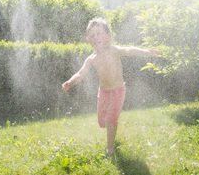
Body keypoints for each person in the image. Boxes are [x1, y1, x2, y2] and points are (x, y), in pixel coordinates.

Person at [62, 18, 161, 156]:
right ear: (89, 41)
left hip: (118, 90)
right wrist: (69, 82)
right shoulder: (91, 59)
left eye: (99, 33)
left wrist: (146, 52)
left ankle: (109, 149)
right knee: (102, 121)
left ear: (109, 36)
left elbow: (129, 50)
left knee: (110, 119)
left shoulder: (114, 50)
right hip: (103, 92)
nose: (96, 37)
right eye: (92, 36)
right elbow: (80, 74)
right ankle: (111, 131)